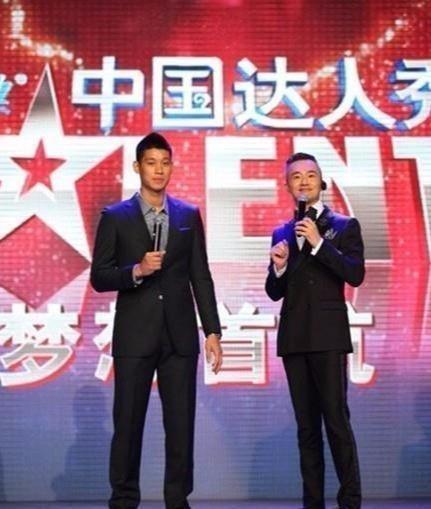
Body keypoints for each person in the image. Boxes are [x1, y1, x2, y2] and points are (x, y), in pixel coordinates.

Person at [91, 132, 222, 509]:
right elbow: (100, 276)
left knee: (181, 425)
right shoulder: (115, 217)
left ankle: (177, 500)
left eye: (165, 163)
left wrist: (212, 331)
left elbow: (201, 275)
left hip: (180, 337)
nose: (159, 170)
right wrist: (136, 270)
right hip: (135, 335)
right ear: (137, 167)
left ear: (172, 167)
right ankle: (123, 499)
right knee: (128, 424)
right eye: (151, 163)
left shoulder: (187, 215)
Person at [265, 152, 365, 509]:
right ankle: (313, 502)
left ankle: (350, 500)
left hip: (328, 337)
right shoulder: (282, 232)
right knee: (306, 428)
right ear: (288, 186)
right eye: (296, 177)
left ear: (321, 182)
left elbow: (355, 274)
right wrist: (278, 267)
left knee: (336, 421)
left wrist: (320, 244)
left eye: (310, 175)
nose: (304, 181)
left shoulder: (344, 225)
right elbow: (274, 291)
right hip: (294, 339)